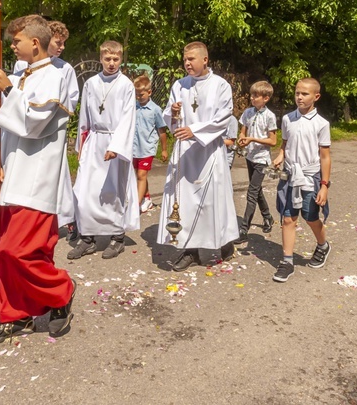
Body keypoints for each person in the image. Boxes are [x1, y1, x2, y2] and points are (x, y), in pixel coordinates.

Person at [0, 16, 75, 344]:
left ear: (34, 43)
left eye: (16, 41)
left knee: (17, 251)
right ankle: (15, 315)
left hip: (35, 178)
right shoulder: (18, 74)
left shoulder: (57, 75)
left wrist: (7, 89)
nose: (11, 46)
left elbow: (34, 123)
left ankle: (61, 292)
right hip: (6, 178)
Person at [157, 42, 238, 271]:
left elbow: (224, 118)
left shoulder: (221, 85)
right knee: (184, 201)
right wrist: (172, 114)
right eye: (185, 59)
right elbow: (169, 116)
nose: (187, 63)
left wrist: (196, 130)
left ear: (205, 59)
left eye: (192, 59)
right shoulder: (179, 85)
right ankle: (189, 250)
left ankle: (223, 243)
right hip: (184, 151)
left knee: (212, 201)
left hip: (209, 150)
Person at [68, 40, 139, 260]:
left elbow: (128, 118)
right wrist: (81, 144)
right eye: (107, 59)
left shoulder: (126, 85)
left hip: (114, 143)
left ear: (121, 59)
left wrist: (116, 147)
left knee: (112, 193)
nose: (111, 63)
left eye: (116, 59)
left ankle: (116, 238)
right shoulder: (90, 83)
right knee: (85, 191)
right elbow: (84, 117)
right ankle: (87, 238)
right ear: (101, 59)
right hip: (94, 142)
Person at [12, 19, 80, 240]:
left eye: (63, 44)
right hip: (21, 128)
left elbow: (69, 100)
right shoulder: (23, 65)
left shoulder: (64, 69)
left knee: (55, 179)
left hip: (49, 128)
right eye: (57, 42)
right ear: (43, 41)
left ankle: (66, 219)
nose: (60, 47)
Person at [271, 78, 331, 283]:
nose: (299, 97)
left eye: (304, 94)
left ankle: (323, 245)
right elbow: (285, 143)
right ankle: (287, 261)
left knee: (310, 216)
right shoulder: (288, 119)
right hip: (291, 175)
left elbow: (325, 156)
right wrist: (281, 156)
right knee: (288, 218)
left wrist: (324, 185)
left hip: (310, 177)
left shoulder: (321, 124)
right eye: (297, 93)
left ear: (316, 96)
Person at [235, 81, 277, 244]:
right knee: (256, 189)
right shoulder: (247, 112)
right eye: (251, 95)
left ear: (265, 98)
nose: (252, 98)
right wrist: (242, 140)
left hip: (261, 160)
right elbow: (243, 131)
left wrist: (252, 139)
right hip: (250, 157)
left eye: (255, 96)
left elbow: (273, 141)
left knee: (251, 192)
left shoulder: (270, 116)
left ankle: (244, 229)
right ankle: (267, 217)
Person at [133, 74, 168, 214]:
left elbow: (162, 130)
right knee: (139, 176)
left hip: (147, 148)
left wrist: (164, 149)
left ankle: (134, 206)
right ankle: (146, 198)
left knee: (142, 175)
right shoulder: (133, 106)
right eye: (136, 94)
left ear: (149, 92)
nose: (138, 97)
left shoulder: (155, 109)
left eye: (141, 94)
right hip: (134, 148)